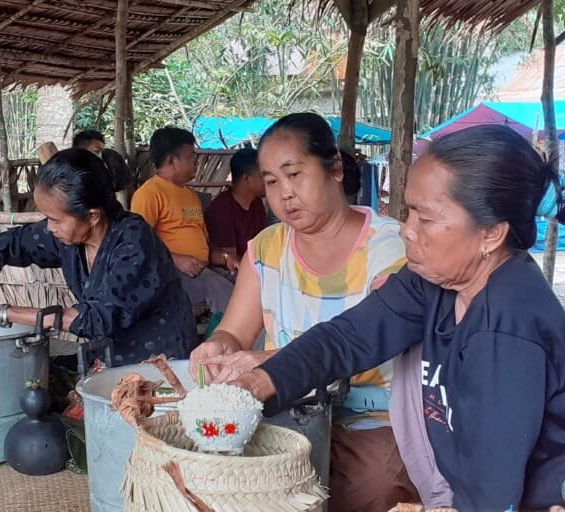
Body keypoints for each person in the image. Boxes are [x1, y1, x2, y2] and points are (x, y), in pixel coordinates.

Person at [229, 125, 565, 510]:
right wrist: (257, 383)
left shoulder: (507, 328)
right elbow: (349, 337)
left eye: (426, 218)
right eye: (409, 212)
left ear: (490, 234)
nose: (406, 230)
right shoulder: (436, 282)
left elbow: (492, 489)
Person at [189, 113, 414, 511]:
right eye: (272, 182)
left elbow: (365, 348)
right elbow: (236, 332)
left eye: (295, 174)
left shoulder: (389, 247)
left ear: (336, 170)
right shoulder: (264, 248)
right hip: (282, 414)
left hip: (370, 419)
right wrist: (219, 347)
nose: (285, 194)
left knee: (371, 485)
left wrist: (266, 364)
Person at [0, 148, 197, 366]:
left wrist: (1, 312)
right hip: (107, 357)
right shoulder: (69, 236)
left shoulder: (134, 242)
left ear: (93, 216)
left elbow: (96, 319)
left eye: (55, 219)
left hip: (159, 361)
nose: (49, 227)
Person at [131, 127, 234, 316]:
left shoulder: (190, 195)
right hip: (171, 274)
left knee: (246, 285)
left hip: (201, 268)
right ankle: (228, 342)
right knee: (226, 296)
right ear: (171, 160)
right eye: (190, 157)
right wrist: (175, 259)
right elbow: (138, 244)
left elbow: (202, 243)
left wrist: (226, 259)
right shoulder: (148, 194)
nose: (195, 162)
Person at [204, 147, 266, 262]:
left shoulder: (257, 203)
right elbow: (231, 260)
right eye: (263, 176)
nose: (268, 180)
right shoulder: (222, 208)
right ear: (246, 179)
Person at [73, 130, 131, 209]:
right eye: (97, 151)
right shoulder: (69, 174)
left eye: (101, 152)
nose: (100, 157)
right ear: (79, 151)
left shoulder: (109, 163)